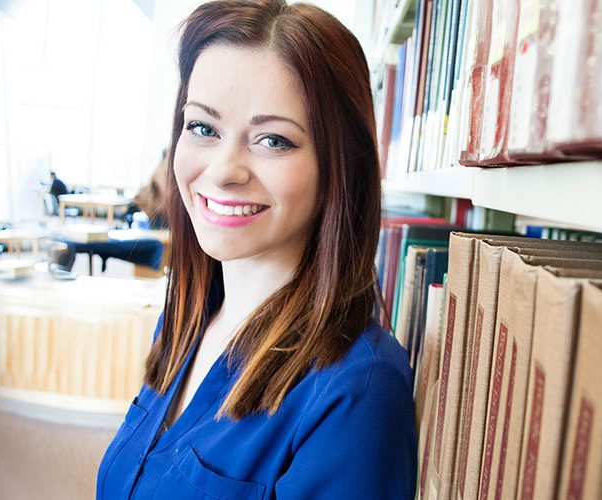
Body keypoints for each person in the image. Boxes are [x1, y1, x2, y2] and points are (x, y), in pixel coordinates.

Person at [97, 1, 417, 498]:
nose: (225, 170)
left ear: (340, 166)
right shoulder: (187, 319)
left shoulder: (357, 392)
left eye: (272, 140)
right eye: (203, 127)